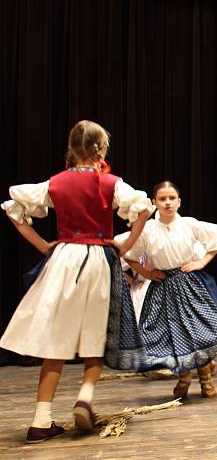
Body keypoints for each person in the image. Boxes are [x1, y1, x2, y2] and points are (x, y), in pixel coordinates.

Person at [0, 120, 152, 443]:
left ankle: (41, 419)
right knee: (95, 334)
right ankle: (84, 396)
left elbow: (14, 210)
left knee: (56, 337)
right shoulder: (111, 183)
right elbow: (142, 208)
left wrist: (43, 245)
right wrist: (125, 245)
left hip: (64, 259)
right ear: (101, 149)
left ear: (71, 148)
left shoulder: (55, 183)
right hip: (98, 259)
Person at [115, 181, 217, 399]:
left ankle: (205, 377)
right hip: (163, 287)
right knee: (174, 334)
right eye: (162, 199)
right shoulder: (147, 229)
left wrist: (201, 263)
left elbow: (216, 240)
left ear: (179, 202)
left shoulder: (188, 224)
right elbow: (128, 253)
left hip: (187, 284)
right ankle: (184, 378)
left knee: (199, 330)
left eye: (171, 198)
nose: (167, 203)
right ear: (154, 203)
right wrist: (147, 273)